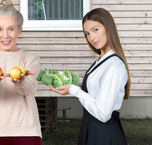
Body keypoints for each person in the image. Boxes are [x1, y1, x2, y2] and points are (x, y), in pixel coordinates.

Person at [50, 8, 131, 145]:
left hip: (104, 134)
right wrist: (72, 87)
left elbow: (103, 114)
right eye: (87, 33)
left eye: (95, 30)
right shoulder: (100, 61)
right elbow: (96, 93)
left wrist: (74, 90)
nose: (91, 37)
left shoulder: (114, 65)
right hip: (92, 128)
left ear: (108, 27)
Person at [0, 0, 42, 145]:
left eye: (11, 29)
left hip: (28, 131)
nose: (5, 35)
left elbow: (30, 89)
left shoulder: (31, 60)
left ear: (19, 30)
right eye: (0, 29)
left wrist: (22, 81)